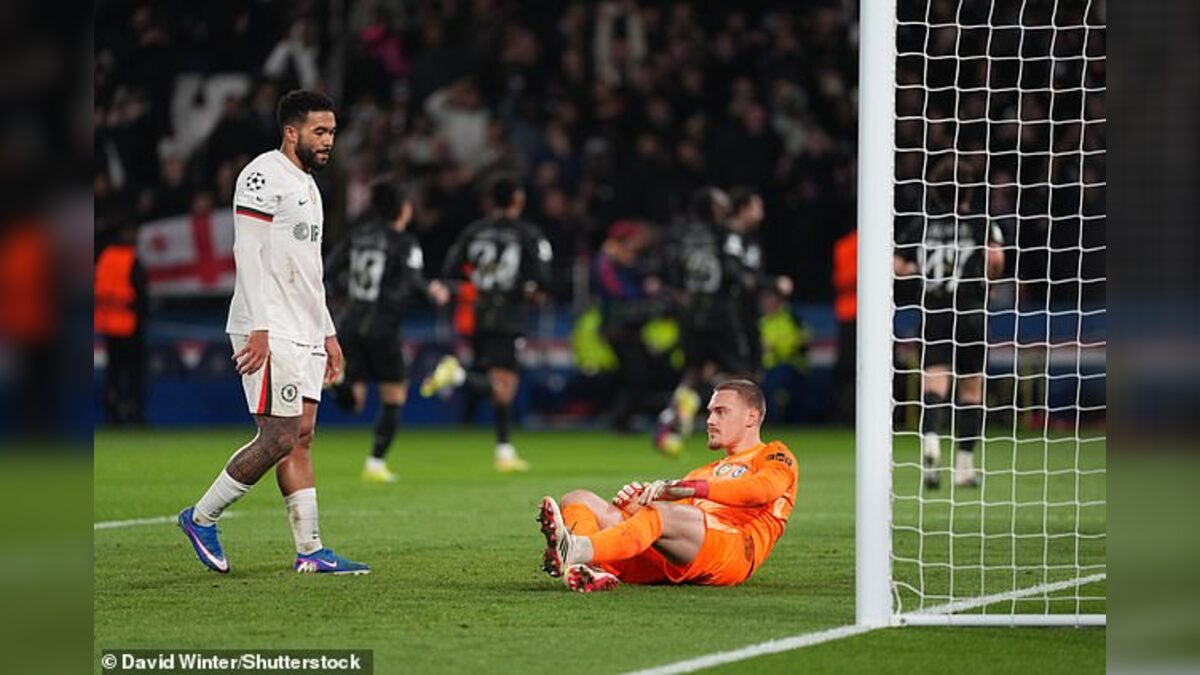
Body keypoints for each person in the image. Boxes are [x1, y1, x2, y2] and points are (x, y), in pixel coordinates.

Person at [178, 90, 369, 575]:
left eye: (332, 132)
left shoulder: (309, 185)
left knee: (301, 437)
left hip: (304, 328)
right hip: (270, 326)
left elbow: (308, 269)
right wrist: (258, 328)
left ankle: (311, 551)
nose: (328, 141)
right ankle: (201, 518)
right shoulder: (263, 175)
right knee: (279, 437)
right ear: (291, 131)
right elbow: (248, 252)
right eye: (319, 131)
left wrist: (327, 331)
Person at [537, 379, 798, 592]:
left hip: (736, 550)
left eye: (721, 412)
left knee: (660, 514)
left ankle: (575, 549)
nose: (710, 421)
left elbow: (761, 490)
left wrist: (692, 489)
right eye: (709, 412)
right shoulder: (705, 472)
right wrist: (637, 504)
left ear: (751, 417)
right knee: (578, 498)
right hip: (686, 552)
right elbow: (674, 522)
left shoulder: (774, 455)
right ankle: (590, 570)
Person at [421, 174, 553, 471]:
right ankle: (457, 376)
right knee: (503, 385)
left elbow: (451, 268)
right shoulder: (528, 233)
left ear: (491, 201)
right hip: (508, 314)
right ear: (518, 200)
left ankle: (504, 451)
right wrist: (533, 290)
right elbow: (543, 277)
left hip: (476, 313)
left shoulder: (474, 231)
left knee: (503, 384)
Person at [326, 182, 450, 483]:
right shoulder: (404, 242)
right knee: (394, 393)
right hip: (383, 325)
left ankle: (338, 383)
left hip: (351, 321)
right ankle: (375, 463)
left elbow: (329, 269)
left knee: (355, 401)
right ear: (402, 208)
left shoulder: (357, 235)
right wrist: (432, 290)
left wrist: (341, 292)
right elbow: (413, 280)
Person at [894, 182, 1004, 489]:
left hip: (934, 312)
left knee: (934, 385)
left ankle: (931, 446)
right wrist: (991, 284)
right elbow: (995, 258)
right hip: (970, 311)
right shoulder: (981, 221)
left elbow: (897, 265)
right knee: (971, 388)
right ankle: (964, 468)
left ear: (936, 192)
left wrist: (919, 270)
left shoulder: (922, 224)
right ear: (967, 192)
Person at [652, 187, 753, 454]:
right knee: (740, 373)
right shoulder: (725, 234)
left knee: (693, 372)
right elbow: (732, 271)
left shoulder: (681, 236)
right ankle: (737, 433)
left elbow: (670, 274)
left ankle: (670, 424)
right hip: (719, 313)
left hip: (690, 312)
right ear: (713, 208)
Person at [725, 187, 794, 379]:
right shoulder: (728, 238)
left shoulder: (752, 241)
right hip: (729, 317)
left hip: (748, 314)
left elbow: (753, 276)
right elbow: (736, 274)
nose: (762, 215)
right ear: (743, 209)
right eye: (757, 208)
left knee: (752, 370)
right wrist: (773, 283)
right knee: (732, 371)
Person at [95, 223, 147, 425]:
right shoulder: (131, 259)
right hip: (129, 324)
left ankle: (112, 412)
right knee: (134, 372)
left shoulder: (105, 257)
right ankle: (133, 412)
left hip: (109, 323)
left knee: (113, 371)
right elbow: (140, 293)